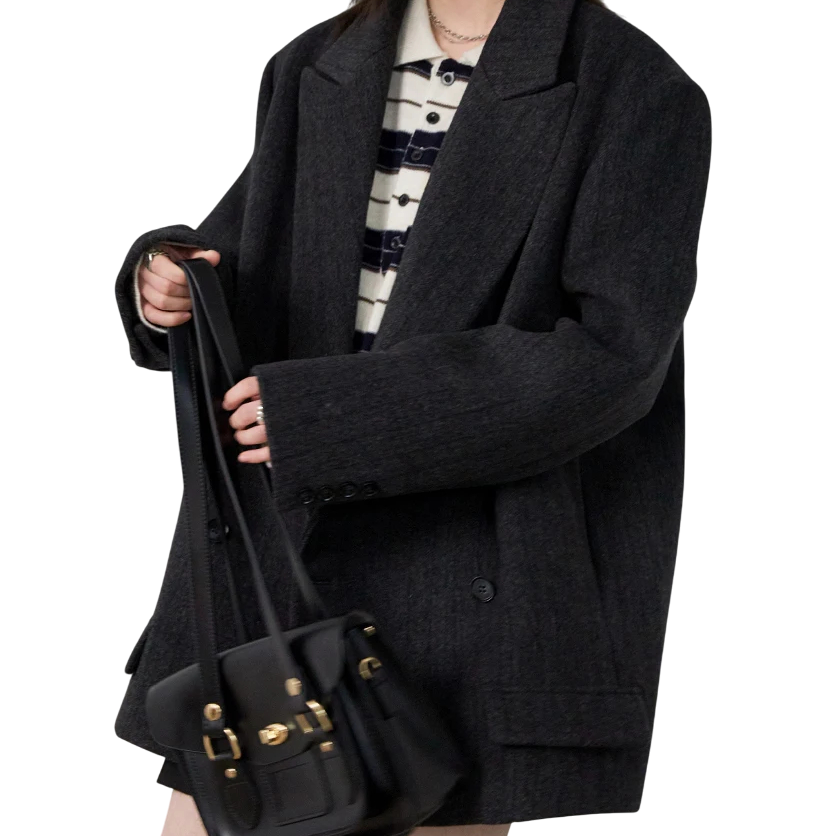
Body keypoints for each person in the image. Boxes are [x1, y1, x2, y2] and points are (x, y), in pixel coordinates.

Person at [114, 0, 712, 834]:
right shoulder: (322, 61)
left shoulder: (633, 86)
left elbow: (611, 362)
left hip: (469, 569)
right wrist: (175, 285)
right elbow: (257, 268)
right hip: (277, 560)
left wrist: (335, 417)